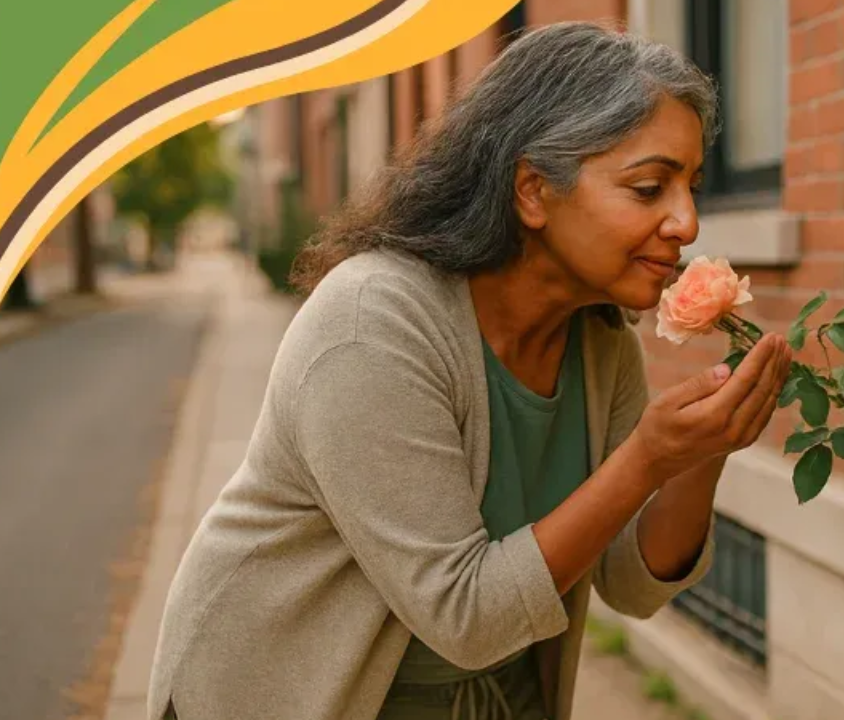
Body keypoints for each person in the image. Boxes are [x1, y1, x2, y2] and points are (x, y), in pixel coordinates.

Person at [147, 21, 792, 720]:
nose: (687, 223)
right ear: (533, 192)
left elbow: (633, 584)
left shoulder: (601, 343)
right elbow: (466, 617)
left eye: (693, 186)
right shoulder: (373, 324)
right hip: (287, 695)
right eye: (648, 188)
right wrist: (644, 459)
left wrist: (701, 454)